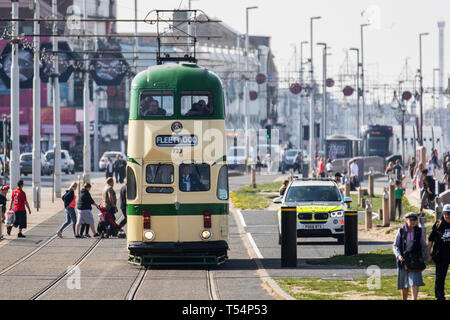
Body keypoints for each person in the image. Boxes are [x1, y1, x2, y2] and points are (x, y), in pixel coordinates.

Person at [392, 212, 427, 300]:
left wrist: (428, 254)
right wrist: (398, 255)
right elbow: (395, 245)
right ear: (406, 220)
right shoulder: (401, 231)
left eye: (415, 220)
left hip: (415, 259)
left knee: (414, 281)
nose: (413, 222)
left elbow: (423, 245)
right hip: (403, 260)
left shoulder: (419, 231)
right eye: (411, 220)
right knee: (404, 284)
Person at [427, 204, 450, 300]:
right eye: (446, 214)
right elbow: (431, 240)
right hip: (440, 255)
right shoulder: (438, 225)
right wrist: (428, 254)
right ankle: (440, 296)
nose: (448, 216)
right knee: (440, 277)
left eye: (449, 214)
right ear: (443, 214)